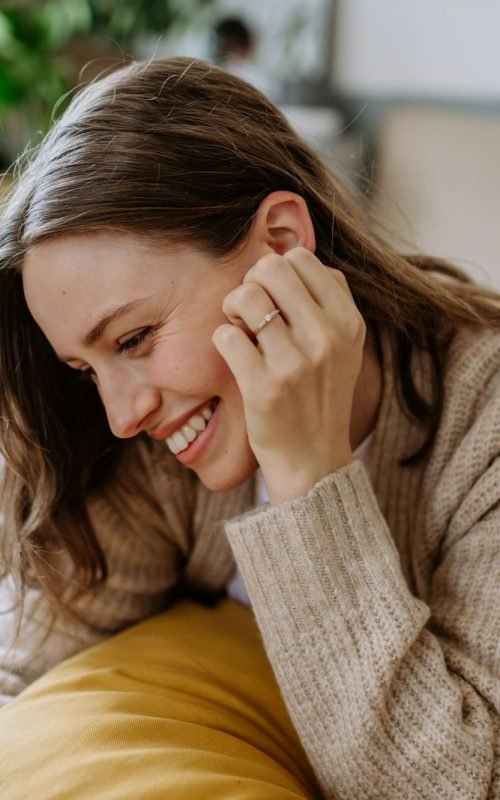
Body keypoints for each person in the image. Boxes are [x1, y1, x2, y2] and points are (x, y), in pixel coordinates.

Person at [0, 56, 499, 799]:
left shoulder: (483, 418)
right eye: (86, 369)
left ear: (284, 244)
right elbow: (34, 682)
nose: (122, 412)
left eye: (134, 339)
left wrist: (308, 471)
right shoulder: (149, 453)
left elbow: (456, 785)